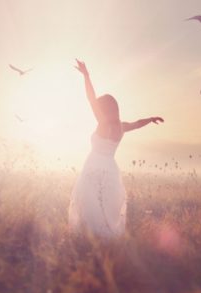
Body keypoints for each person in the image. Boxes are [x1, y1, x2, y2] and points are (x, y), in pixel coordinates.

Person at [68, 59, 164, 239]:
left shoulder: (102, 123)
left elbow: (90, 98)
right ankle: (103, 238)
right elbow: (137, 124)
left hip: (94, 167)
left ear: (103, 109)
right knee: (105, 205)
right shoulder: (121, 126)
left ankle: (90, 238)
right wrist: (150, 119)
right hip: (110, 169)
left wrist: (86, 76)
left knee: (90, 204)